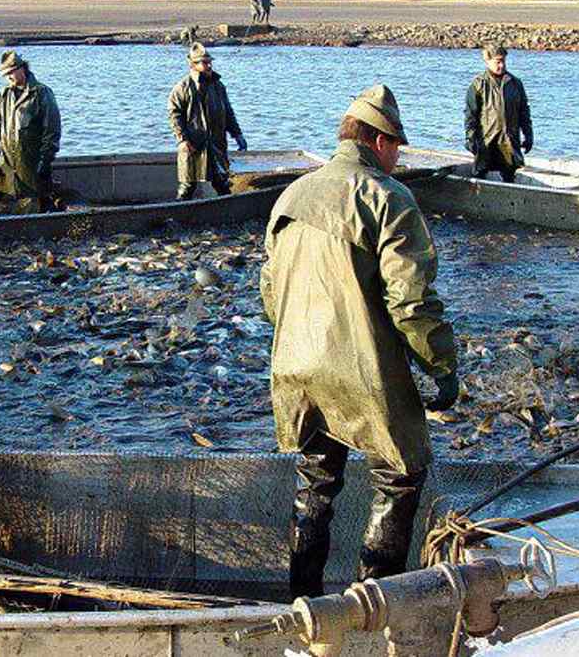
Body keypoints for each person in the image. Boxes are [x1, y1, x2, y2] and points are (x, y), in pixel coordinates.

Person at [260, 84, 459, 598]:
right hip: (360, 369)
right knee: (399, 478)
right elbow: (411, 303)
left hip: (296, 368)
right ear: (375, 141)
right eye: (397, 146)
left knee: (315, 485)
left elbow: (269, 293)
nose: (399, 156)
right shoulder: (388, 198)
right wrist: (441, 366)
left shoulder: (291, 195)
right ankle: (373, 605)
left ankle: (302, 603)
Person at [0, 50, 63, 215]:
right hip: (6, 163)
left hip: (32, 163)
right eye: (5, 74)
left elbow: (52, 131)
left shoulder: (41, 93)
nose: (8, 77)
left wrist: (45, 160)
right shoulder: (4, 95)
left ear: (22, 69)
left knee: (34, 205)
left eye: (11, 73)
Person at [166, 43, 247, 201]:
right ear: (193, 65)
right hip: (193, 144)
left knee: (221, 182)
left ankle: (228, 210)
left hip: (216, 142)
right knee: (187, 186)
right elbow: (174, 115)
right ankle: (178, 215)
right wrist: (182, 139)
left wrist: (237, 134)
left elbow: (228, 112)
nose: (209, 65)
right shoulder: (182, 87)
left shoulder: (218, 86)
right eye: (204, 62)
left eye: (210, 62)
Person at [464, 44, 533, 184]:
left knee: (509, 175)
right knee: (480, 174)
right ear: (487, 61)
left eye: (503, 61)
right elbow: (471, 115)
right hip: (487, 140)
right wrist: (470, 138)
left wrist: (528, 134)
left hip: (509, 139)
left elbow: (524, 112)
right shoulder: (478, 84)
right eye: (498, 62)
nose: (501, 65)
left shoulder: (515, 83)